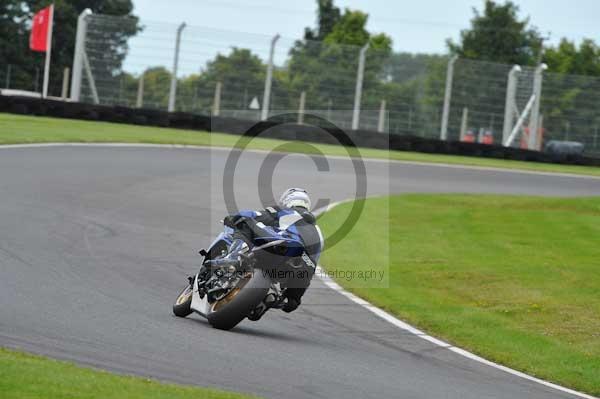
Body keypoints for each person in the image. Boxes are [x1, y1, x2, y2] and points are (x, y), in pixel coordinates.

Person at [222, 188, 324, 314]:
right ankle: (269, 300)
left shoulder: (285, 211)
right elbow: (311, 267)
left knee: (244, 219)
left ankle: (233, 257)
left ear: (287, 200)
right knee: (292, 297)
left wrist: (233, 218)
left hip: (280, 247)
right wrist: (295, 298)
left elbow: (254, 215)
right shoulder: (318, 232)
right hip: (300, 267)